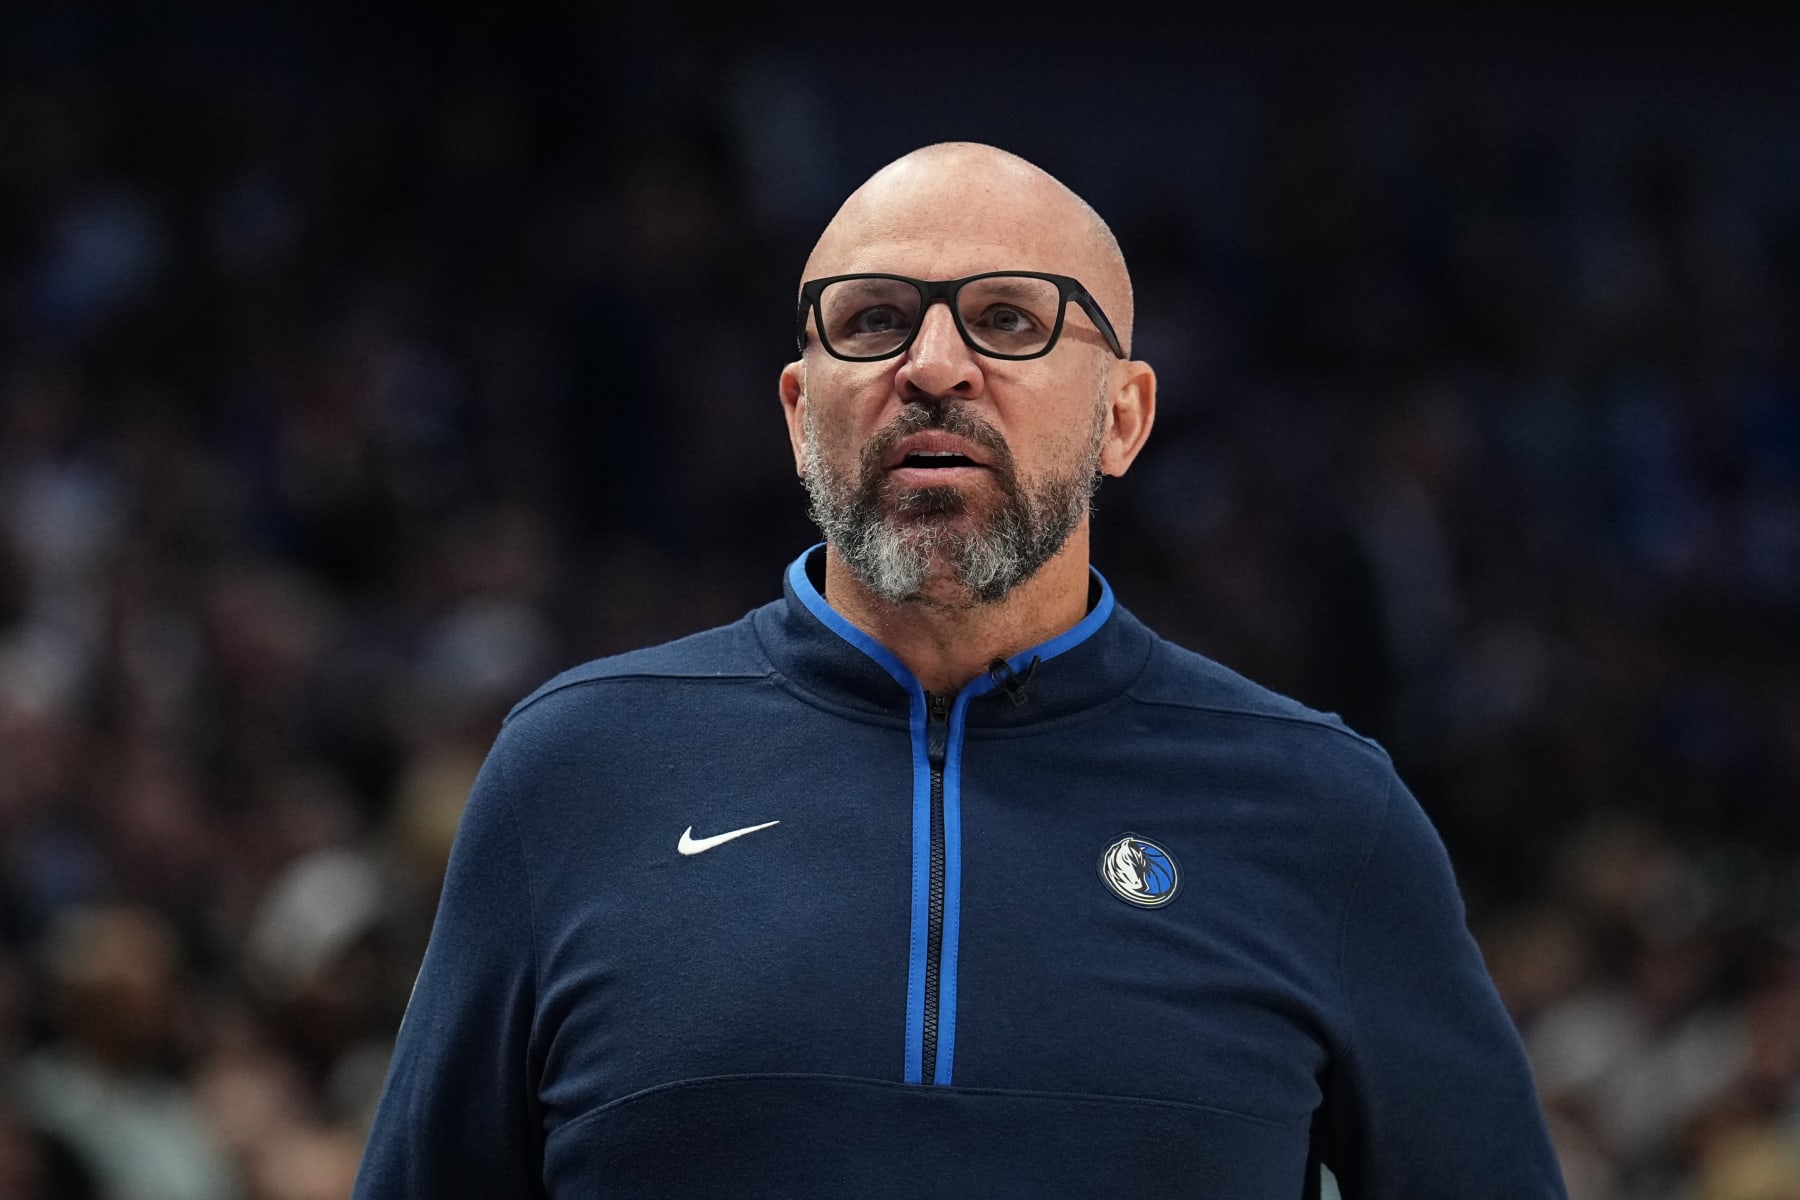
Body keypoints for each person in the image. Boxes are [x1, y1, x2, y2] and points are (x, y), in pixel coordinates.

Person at [352, 142, 1568, 1198]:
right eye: (872, 320)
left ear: (1125, 417)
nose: (933, 364)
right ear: (795, 409)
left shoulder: (1326, 812)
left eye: (1008, 319)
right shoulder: (576, 771)